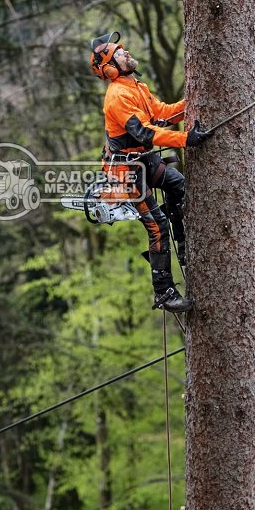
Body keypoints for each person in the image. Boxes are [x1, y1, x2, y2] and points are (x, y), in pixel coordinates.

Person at [90, 31, 214, 313]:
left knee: (178, 185)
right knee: (156, 226)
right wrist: (185, 138)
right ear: (110, 67)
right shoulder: (117, 96)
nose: (126, 52)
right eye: (119, 53)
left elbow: (162, 114)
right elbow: (144, 131)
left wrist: (194, 103)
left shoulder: (137, 87)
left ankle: (184, 244)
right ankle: (164, 293)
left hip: (143, 161)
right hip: (127, 170)